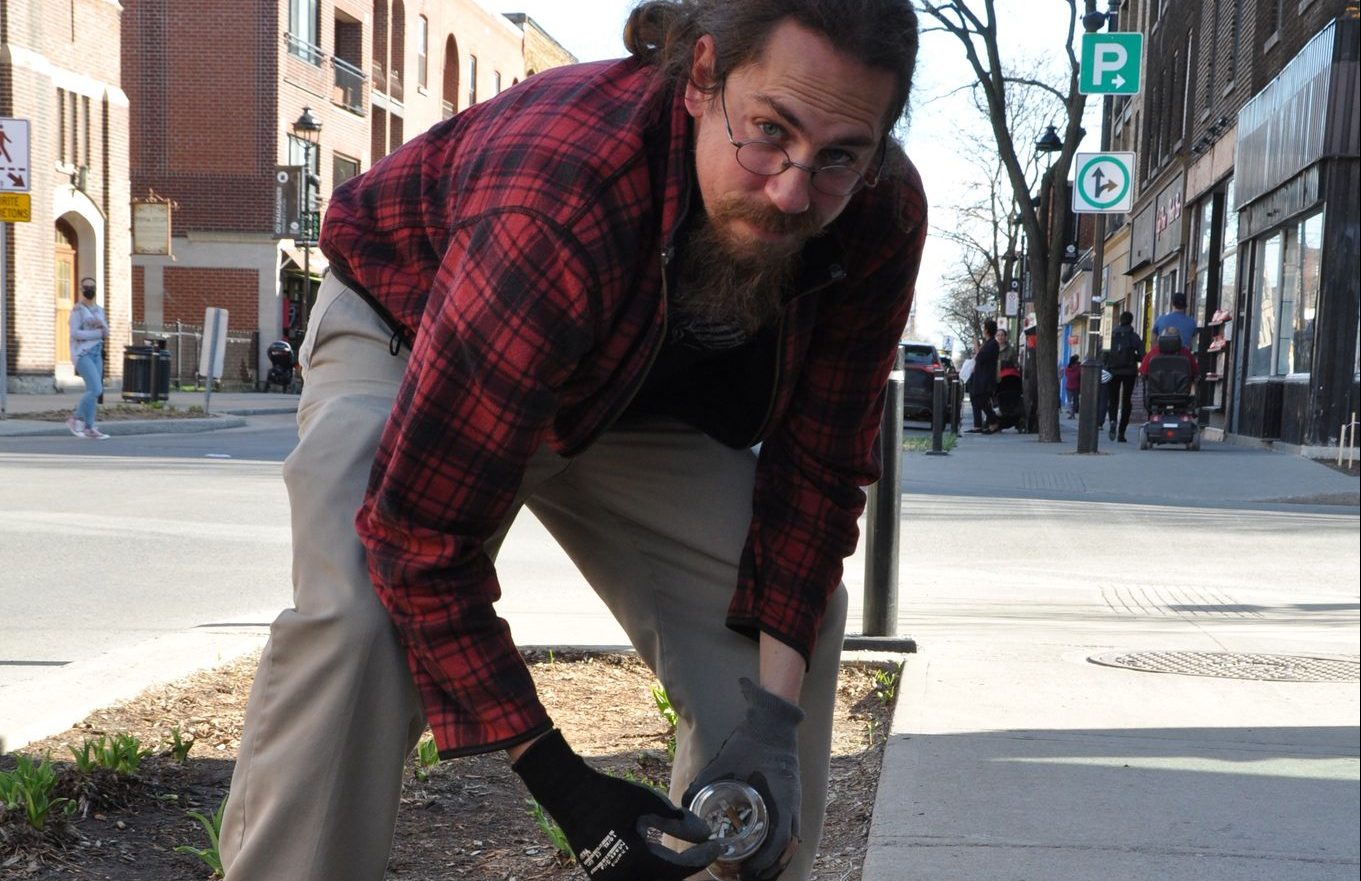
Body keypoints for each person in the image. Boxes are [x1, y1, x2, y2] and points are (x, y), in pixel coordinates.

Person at [219, 4, 926, 881]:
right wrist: (565, 787)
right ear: (703, 78)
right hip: (420, 341)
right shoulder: (560, 189)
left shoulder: (881, 210)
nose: (792, 189)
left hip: (630, 390)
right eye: (770, 132)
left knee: (792, 622)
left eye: (837, 157)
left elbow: (818, 473)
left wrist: (771, 733)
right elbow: (420, 541)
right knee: (363, 619)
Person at [66, 278, 110, 440]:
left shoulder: (99, 310)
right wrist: (97, 333)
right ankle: (74, 418)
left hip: (96, 352)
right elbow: (75, 333)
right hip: (82, 353)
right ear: (81, 289)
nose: (89, 290)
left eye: (92, 287)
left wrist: (102, 331)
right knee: (96, 389)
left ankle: (89, 427)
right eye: (86, 287)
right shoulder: (78, 310)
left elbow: (107, 331)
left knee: (92, 390)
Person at [1104, 310, 1144, 442]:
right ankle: (1122, 432)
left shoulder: (1111, 335)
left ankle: (1113, 421)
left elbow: (1104, 354)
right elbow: (1143, 355)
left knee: (1113, 399)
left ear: (1120, 320)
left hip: (1113, 371)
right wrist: (1133, 357)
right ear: (1131, 321)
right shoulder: (1134, 336)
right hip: (1129, 372)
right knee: (1127, 401)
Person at [967, 319, 999, 433]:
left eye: (984, 328)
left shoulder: (993, 344)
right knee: (975, 398)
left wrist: (976, 345)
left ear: (987, 330)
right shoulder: (988, 343)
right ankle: (977, 425)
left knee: (983, 400)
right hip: (979, 376)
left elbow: (980, 356)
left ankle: (993, 422)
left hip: (985, 378)